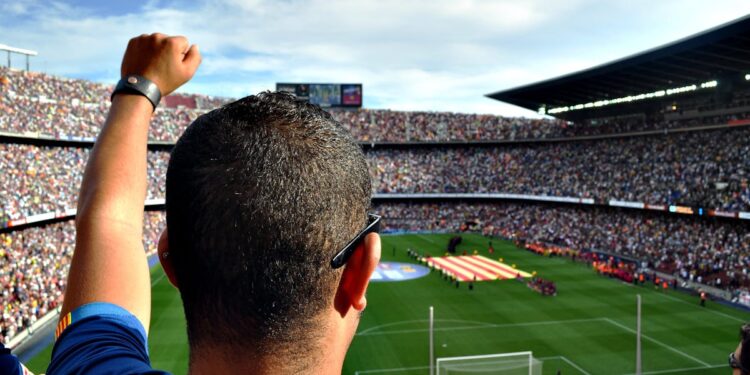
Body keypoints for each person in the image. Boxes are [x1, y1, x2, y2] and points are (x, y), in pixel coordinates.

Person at [46, 33, 381, 374]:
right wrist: (138, 89)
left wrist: (139, 87)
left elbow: (109, 225)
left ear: (169, 260)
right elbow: (108, 225)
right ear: (361, 270)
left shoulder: (92, 366)